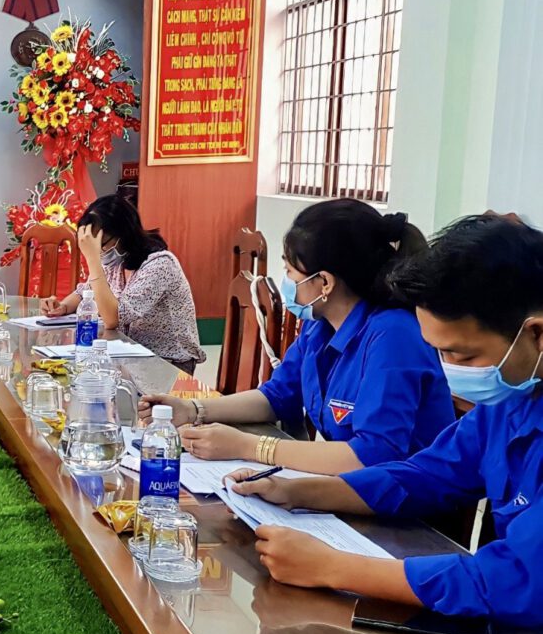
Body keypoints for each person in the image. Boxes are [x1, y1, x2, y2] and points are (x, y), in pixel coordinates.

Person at [229, 214, 543, 627]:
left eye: (461, 355)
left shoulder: (394, 336)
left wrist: (332, 567)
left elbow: (516, 579)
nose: (447, 369)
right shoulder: (508, 402)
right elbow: (426, 475)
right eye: (439, 351)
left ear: (536, 334)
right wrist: (297, 491)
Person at [140, 199, 453, 474]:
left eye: (290, 272)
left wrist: (248, 446)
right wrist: (194, 409)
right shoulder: (321, 327)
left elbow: (370, 456)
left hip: (404, 509)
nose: (287, 282)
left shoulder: (393, 336)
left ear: (325, 283)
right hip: (348, 490)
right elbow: (278, 396)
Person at [39, 195, 204, 372]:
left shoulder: (160, 264)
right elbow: (84, 292)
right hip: (131, 358)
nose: (99, 252)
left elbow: (113, 319)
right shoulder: (116, 261)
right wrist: (62, 307)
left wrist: (92, 259)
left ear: (124, 234)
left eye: (101, 245)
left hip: (168, 364)